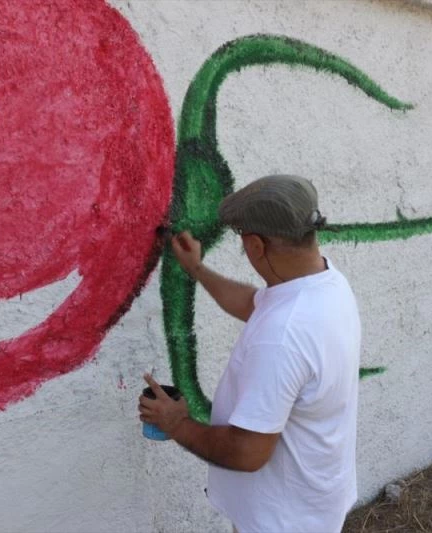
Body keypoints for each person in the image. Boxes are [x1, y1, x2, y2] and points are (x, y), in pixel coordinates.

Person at [139, 174, 361, 533]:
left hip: (280, 520)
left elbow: (247, 452)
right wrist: (196, 268)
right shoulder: (326, 283)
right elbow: (253, 304)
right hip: (310, 500)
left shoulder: (282, 337)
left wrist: (176, 423)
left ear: (256, 245)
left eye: (242, 238)